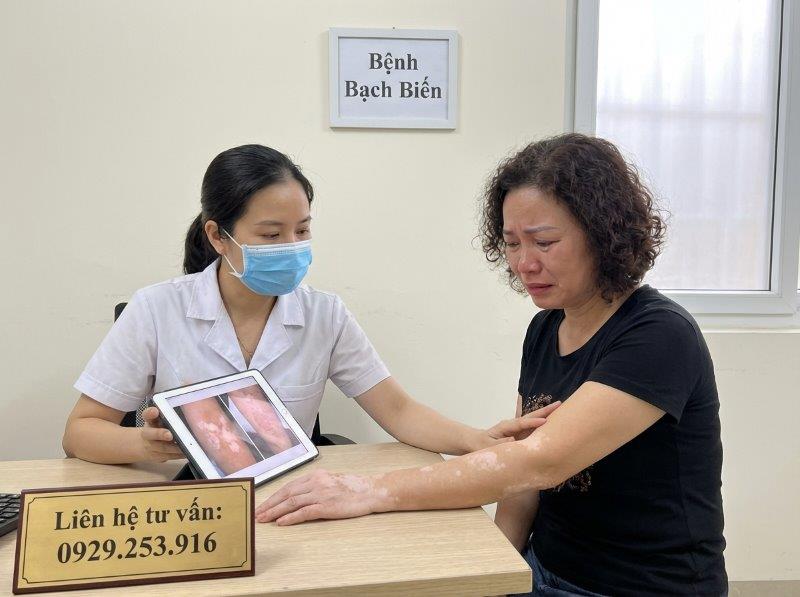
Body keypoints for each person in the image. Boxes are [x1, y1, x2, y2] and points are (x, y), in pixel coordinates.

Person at [256, 134, 728, 596]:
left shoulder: (658, 335)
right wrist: (497, 571)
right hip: (543, 569)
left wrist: (370, 491)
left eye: (544, 242)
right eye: (512, 243)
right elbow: (522, 479)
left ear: (604, 234)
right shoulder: (546, 327)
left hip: (636, 585)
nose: (524, 264)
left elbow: (538, 462)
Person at [63, 144, 555, 465]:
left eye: (302, 230)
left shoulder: (324, 315)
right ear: (218, 235)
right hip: (191, 500)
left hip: (291, 495)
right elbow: (80, 432)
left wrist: (477, 440)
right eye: (270, 235)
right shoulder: (156, 309)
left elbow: (399, 410)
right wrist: (145, 444)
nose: (291, 247)